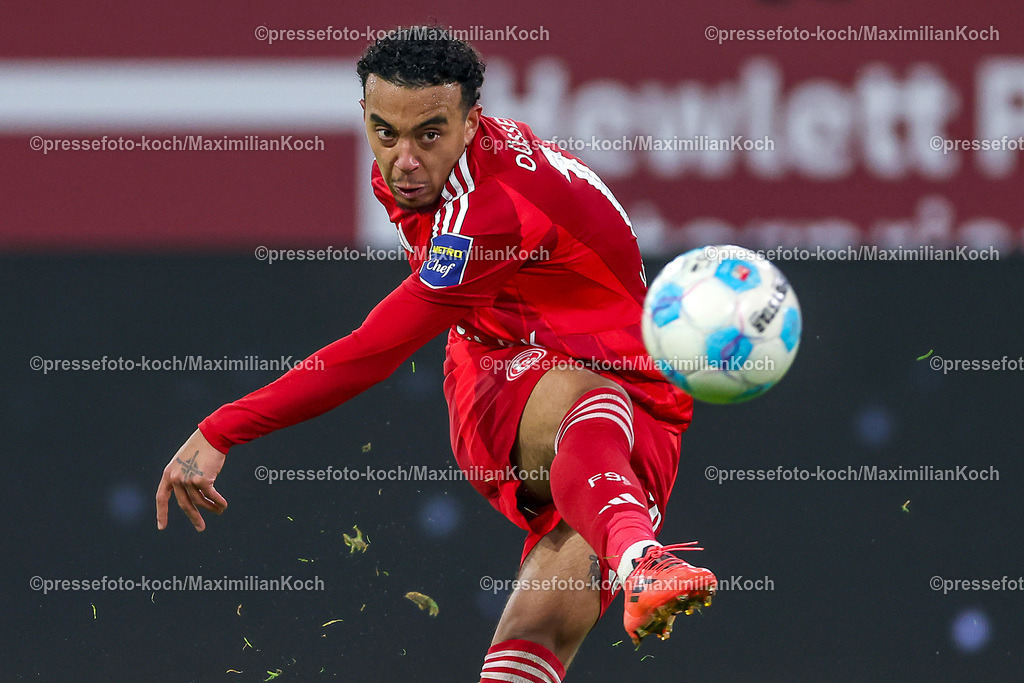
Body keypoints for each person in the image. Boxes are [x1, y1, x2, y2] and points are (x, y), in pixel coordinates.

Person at [155, 26, 716, 683]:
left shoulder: (491, 209)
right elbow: (385, 344)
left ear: (472, 122)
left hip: (637, 407)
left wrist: (223, 426)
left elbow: (372, 351)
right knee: (584, 396)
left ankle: (634, 554)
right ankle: (641, 556)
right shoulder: (426, 175)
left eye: (429, 133)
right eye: (384, 131)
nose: (404, 160)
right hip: (507, 384)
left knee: (534, 635)